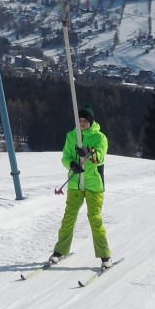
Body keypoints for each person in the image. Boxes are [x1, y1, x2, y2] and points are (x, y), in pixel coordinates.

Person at [49, 104, 112, 268]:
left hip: (94, 184)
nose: (82, 123)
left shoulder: (99, 137)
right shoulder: (71, 136)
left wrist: (89, 154)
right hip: (75, 183)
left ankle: (105, 255)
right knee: (68, 217)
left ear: (91, 122)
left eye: (85, 121)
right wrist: (72, 164)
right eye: (80, 120)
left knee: (95, 218)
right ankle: (60, 251)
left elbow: (100, 158)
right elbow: (65, 157)